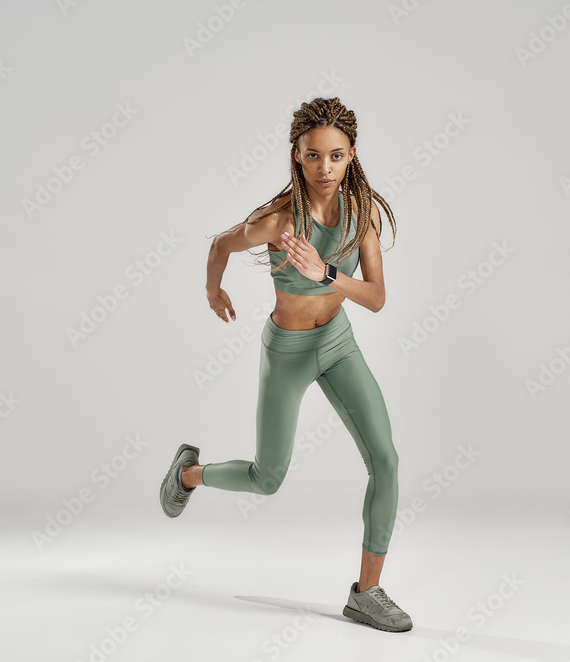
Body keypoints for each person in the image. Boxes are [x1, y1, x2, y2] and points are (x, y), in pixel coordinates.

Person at [158, 96, 412, 632]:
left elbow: (376, 298)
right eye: (313, 154)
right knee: (267, 477)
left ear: (352, 154)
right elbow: (221, 245)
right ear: (297, 154)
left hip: (338, 343)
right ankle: (188, 474)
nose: (325, 168)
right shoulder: (278, 221)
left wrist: (326, 274)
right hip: (288, 352)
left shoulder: (362, 214)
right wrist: (212, 290)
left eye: (336, 155)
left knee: (386, 460)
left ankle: (367, 593)